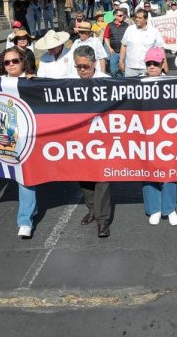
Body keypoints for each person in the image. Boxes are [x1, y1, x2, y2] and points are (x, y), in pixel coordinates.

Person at [0, 48, 39, 238]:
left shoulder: (32, 81)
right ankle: (27, 217)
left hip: (33, 136)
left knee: (27, 177)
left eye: (15, 61)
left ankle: (26, 217)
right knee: (23, 177)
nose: (11, 64)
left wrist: (35, 82)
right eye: (6, 62)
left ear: (23, 61)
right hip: (10, 139)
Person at [70, 45, 112, 238]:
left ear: (94, 63)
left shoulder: (107, 81)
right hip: (80, 140)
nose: (82, 70)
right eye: (78, 67)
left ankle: (103, 221)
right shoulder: (68, 83)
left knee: (102, 179)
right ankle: (92, 209)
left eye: (85, 66)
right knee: (85, 179)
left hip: (103, 140)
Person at [141, 47, 177, 226]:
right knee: (148, 171)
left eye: (155, 63)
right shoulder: (137, 83)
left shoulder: (173, 83)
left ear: (162, 64)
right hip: (145, 135)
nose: (151, 66)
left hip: (167, 134)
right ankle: (154, 209)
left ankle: (169, 208)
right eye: (148, 63)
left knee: (169, 170)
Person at [119, 9, 165, 77]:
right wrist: (121, 61)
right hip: (130, 68)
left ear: (146, 19)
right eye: (136, 17)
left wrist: (164, 63)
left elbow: (161, 48)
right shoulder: (129, 29)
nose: (137, 19)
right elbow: (124, 45)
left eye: (140, 18)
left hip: (146, 68)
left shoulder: (154, 31)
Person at [104, 8, 130, 77]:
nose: (122, 17)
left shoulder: (126, 25)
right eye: (120, 15)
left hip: (124, 52)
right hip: (114, 52)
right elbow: (106, 37)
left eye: (123, 15)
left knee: (124, 71)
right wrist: (109, 48)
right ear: (115, 16)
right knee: (113, 71)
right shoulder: (109, 25)